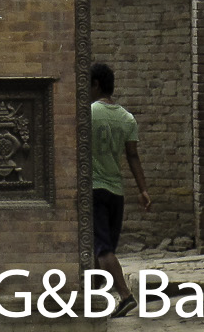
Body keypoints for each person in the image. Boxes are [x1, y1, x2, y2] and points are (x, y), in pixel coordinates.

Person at [88, 64, 151, 317]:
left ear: (95, 85)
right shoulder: (127, 118)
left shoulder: (88, 114)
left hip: (94, 189)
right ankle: (93, 290)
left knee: (103, 249)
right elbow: (133, 156)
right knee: (104, 247)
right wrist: (143, 189)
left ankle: (125, 295)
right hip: (117, 192)